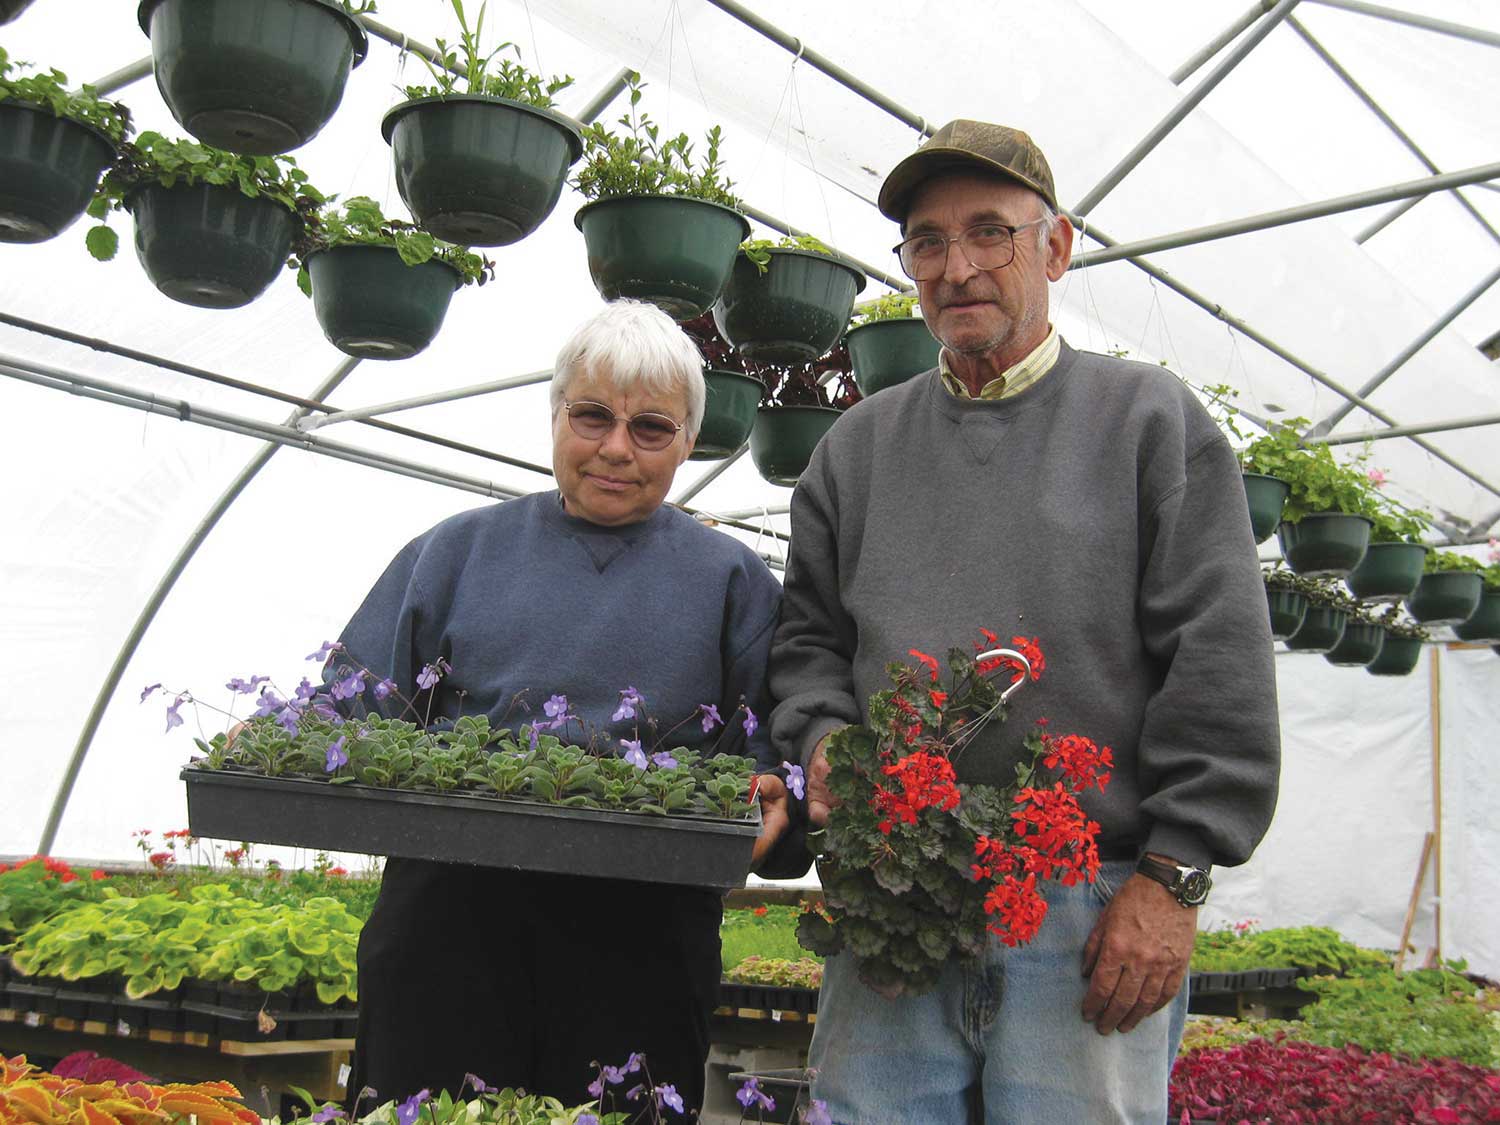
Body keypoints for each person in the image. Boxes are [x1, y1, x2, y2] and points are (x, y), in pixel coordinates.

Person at [769, 120, 1280, 1122]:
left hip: (1091, 909)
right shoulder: (856, 448)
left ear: (1056, 246)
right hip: (893, 903)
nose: (957, 267)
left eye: (990, 232)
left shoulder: (1149, 423)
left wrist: (1173, 879)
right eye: (927, 240)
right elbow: (806, 646)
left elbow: (1216, 661)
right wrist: (826, 738)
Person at [334, 299, 793, 1116]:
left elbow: (778, 761)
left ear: (689, 441)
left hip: (639, 953)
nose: (616, 447)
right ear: (554, 417)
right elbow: (344, 717)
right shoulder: (453, 554)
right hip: (446, 937)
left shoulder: (734, 584)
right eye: (592, 416)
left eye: (651, 427)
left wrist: (774, 797)